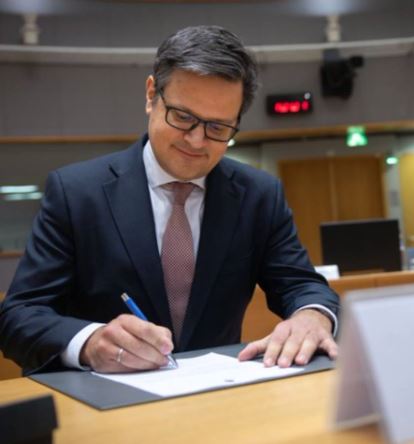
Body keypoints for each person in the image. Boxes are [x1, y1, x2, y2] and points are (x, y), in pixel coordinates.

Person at [0, 26, 339, 375]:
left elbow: (302, 285)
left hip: (220, 394)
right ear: (151, 95)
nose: (196, 140)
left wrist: (313, 316)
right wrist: (89, 342)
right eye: (183, 117)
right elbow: (19, 316)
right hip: (107, 397)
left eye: (218, 128)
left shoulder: (258, 196)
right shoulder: (76, 193)